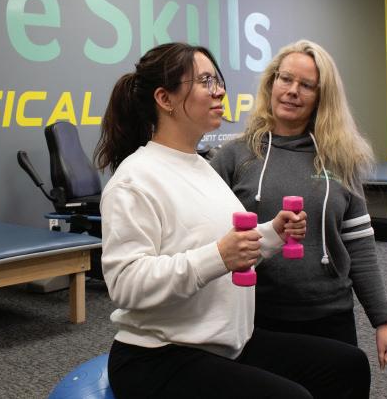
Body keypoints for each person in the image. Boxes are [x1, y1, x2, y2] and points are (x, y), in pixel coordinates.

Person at [94, 42, 371, 398]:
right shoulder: (135, 180)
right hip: (159, 355)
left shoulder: (199, 166)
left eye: (217, 80)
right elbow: (125, 285)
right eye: (205, 81)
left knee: (348, 365)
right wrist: (219, 257)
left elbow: (220, 242)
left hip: (224, 342)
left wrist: (272, 233)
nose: (219, 91)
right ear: (164, 99)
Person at [209, 39, 387, 371]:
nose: (292, 91)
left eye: (306, 85)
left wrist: (382, 322)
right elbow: (205, 233)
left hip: (329, 315)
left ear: (321, 97)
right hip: (255, 316)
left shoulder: (341, 158)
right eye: (285, 79)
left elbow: (359, 246)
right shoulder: (235, 155)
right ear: (272, 83)